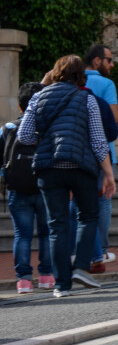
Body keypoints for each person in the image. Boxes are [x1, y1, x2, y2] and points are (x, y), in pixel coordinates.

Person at [17, 56, 116, 298]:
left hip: (49, 169)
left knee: (56, 226)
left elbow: (24, 135)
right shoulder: (87, 99)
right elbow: (97, 139)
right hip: (80, 167)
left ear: (55, 72)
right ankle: (81, 266)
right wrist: (109, 174)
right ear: (80, 75)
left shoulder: (39, 97)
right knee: (88, 215)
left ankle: (61, 285)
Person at [3, 82, 54, 293]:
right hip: (44, 186)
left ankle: (23, 280)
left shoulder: (9, 128)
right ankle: (46, 276)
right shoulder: (49, 127)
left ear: (20, 106)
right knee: (46, 232)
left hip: (17, 188)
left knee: (21, 234)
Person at [82, 45, 118, 273]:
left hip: (77, 153)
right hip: (104, 152)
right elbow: (114, 117)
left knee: (78, 204)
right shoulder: (106, 84)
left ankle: (83, 249)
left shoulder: (70, 81)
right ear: (97, 61)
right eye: (109, 60)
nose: (111, 64)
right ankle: (102, 250)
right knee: (103, 201)